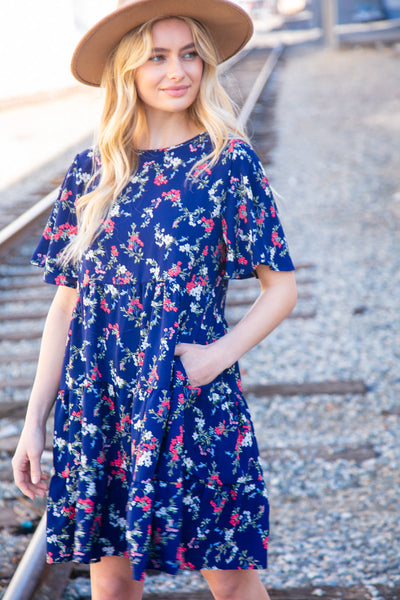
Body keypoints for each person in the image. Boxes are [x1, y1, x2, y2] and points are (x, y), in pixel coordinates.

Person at [12, 1, 297, 599]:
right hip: (98, 404)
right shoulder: (92, 171)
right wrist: (35, 421)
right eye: (158, 57)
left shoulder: (226, 162)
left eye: (190, 54)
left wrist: (213, 358)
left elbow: (281, 290)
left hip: (189, 400)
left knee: (233, 579)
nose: (179, 71)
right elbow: (66, 308)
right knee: (111, 585)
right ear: (129, 72)